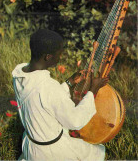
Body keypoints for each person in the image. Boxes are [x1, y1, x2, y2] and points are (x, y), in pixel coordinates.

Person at [12, 29, 109, 161]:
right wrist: (93, 89)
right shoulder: (48, 87)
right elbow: (74, 121)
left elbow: (43, 101)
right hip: (50, 153)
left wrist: (69, 83)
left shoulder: (20, 74)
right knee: (95, 153)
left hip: (32, 145)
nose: (60, 57)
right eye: (59, 54)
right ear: (48, 57)